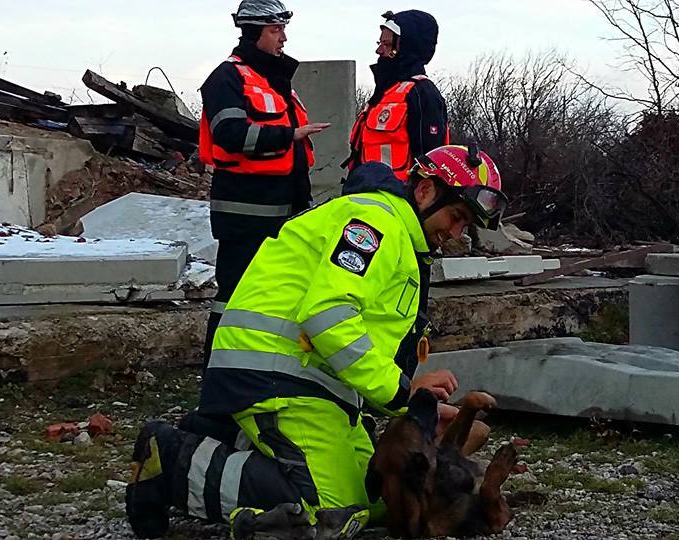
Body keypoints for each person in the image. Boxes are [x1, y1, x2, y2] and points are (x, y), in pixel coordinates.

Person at [125, 146, 508, 539]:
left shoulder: (394, 235)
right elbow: (328, 316)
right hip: (273, 375)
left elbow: (354, 345)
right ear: (426, 190)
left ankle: (222, 438)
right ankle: (170, 461)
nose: (457, 233)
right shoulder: (377, 224)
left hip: (306, 381)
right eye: (457, 217)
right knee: (326, 509)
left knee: (379, 496)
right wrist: (401, 393)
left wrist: (414, 409)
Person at [199, 0, 330, 365]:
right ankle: (219, 372)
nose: (283, 38)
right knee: (235, 294)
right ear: (254, 31)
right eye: (275, 30)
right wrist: (290, 135)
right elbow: (229, 133)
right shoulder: (227, 77)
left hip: (282, 210)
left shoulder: (273, 79)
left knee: (273, 295)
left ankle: (257, 366)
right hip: (246, 213)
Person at [345, 10, 449, 180]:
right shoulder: (385, 92)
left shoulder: (422, 93)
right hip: (365, 191)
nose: (379, 50)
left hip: (399, 199)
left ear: (406, 46)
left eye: (386, 44)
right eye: (379, 42)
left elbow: (428, 164)